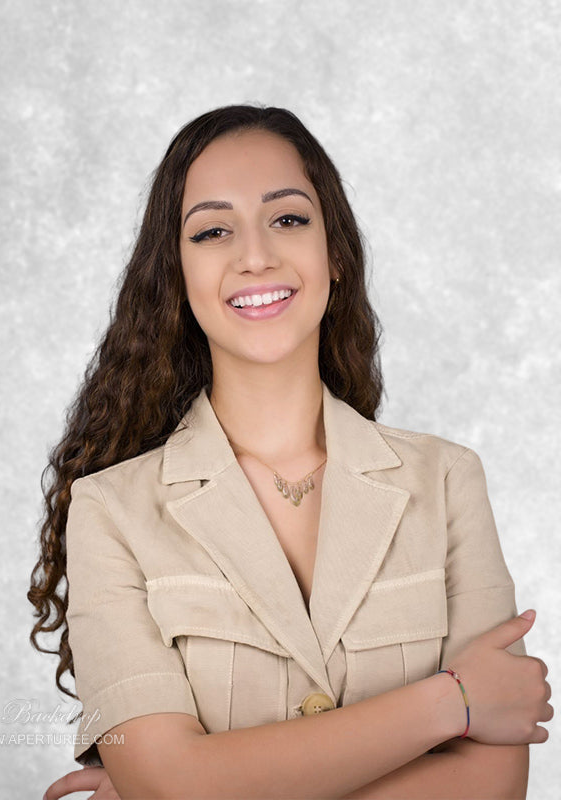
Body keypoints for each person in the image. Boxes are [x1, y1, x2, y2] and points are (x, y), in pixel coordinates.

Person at [29, 105, 552, 799]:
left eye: (288, 218)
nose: (255, 256)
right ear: (176, 275)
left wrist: (199, 784)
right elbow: (168, 783)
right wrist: (451, 702)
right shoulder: (109, 511)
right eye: (213, 231)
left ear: (335, 253)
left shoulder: (449, 481)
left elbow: (493, 786)